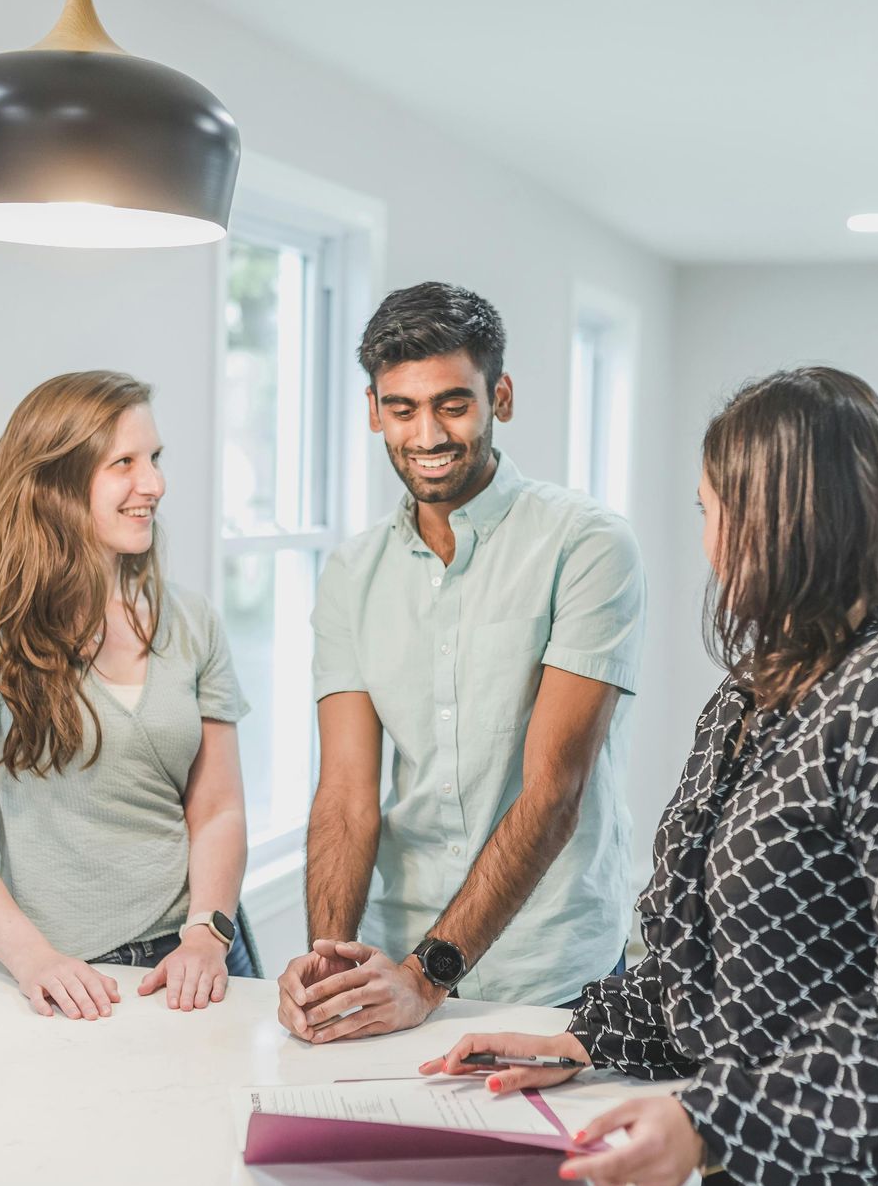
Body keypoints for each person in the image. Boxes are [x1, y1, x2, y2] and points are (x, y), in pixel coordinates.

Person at [423, 367, 878, 1186]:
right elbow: (716, 959)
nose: (704, 540)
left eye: (710, 510)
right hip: (758, 1156)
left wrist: (712, 1122)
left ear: (783, 520)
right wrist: (584, 1038)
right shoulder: (762, 689)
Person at [276, 282, 646, 1042]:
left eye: (453, 403)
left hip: (550, 968)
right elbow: (347, 794)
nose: (427, 433)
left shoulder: (586, 545)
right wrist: (329, 962)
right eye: (402, 408)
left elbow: (555, 791)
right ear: (374, 410)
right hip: (391, 960)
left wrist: (428, 976)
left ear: (499, 397)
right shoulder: (352, 573)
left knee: (535, 1164)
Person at [0, 371, 254, 1021]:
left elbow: (219, 808)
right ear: (56, 482)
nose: (155, 484)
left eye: (156, 459)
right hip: (76, 978)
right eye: (125, 464)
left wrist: (208, 933)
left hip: (203, 960)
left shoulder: (192, 621)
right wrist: (33, 960)